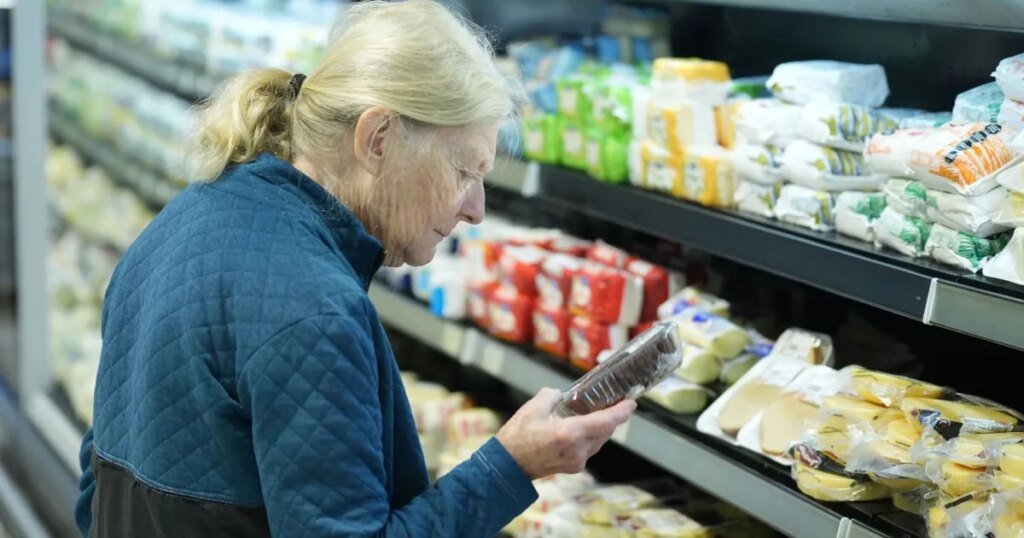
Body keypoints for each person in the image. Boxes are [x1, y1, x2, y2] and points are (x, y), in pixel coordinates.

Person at [75, 1, 635, 536]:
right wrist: (510, 465)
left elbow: (96, 481)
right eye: (466, 170)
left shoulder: (180, 221)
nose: (476, 208)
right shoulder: (314, 311)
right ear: (377, 138)